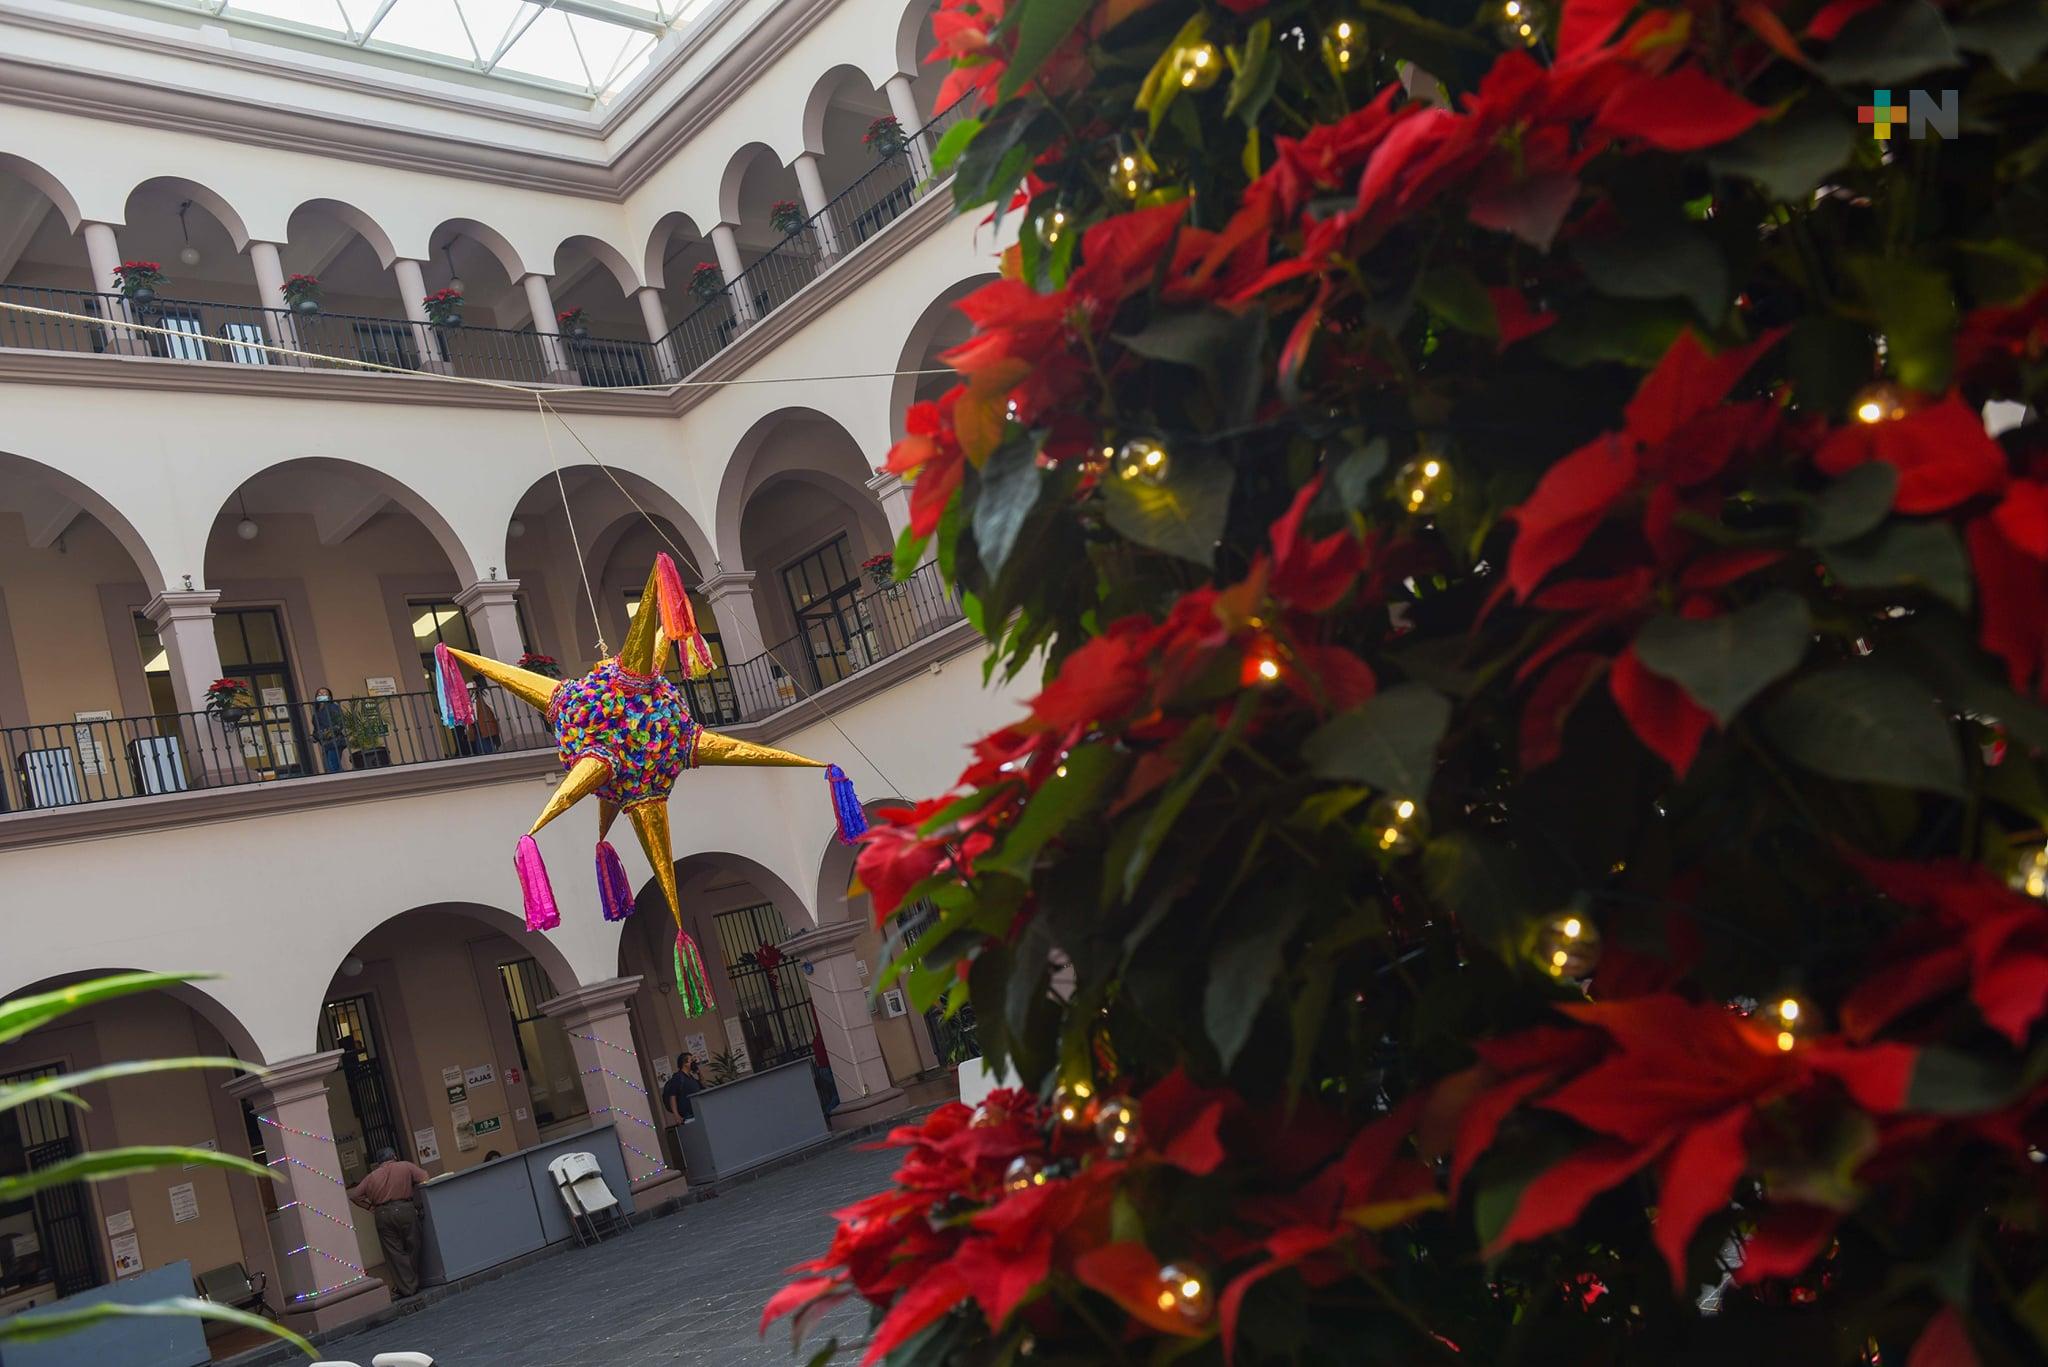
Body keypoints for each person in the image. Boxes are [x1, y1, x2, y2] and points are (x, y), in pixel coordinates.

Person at [346, 1146, 431, 1298]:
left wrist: (371, 1207)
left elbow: (355, 1195)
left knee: (394, 1252)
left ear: (379, 1162)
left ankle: (406, 1286)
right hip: (405, 1209)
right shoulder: (405, 1166)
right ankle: (412, 1282)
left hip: (382, 1214)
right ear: (394, 1156)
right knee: (414, 1244)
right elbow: (425, 1177)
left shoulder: (371, 1176)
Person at [661, 1051, 703, 1124]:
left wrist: (699, 1073)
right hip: (688, 1116)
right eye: (691, 1061)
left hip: (697, 1112)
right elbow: (672, 1096)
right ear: (685, 1063)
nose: (693, 1063)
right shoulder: (678, 1077)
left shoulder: (691, 1078)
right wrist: (676, 1115)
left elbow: (703, 1085)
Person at [310, 688, 344, 774]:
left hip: (335, 741)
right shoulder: (316, 713)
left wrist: (321, 735)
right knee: (328, 768)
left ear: (329, 697)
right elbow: (317, 728)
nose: (321, 695)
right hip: (325, 743)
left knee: (333, 767)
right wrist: (314, 736)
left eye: (324, 693)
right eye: (319, 694)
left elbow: (339, 724)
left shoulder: (333, 707)